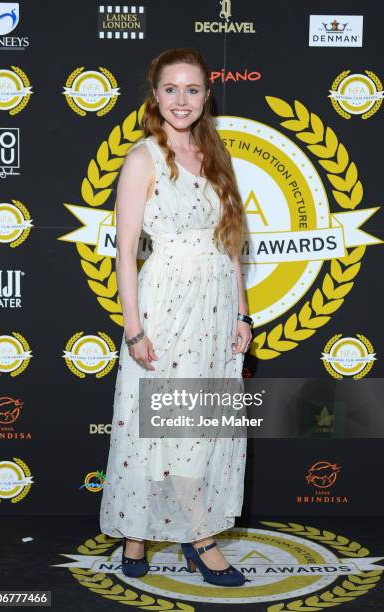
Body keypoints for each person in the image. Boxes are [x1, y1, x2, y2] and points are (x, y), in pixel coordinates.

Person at [99, 48, 253, 587]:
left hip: (215, 311)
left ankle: (187, 529)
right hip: (167, 305)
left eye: (192, 89)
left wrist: (242, 314)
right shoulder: (143, 157)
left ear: (207, 95)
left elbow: (231, 244)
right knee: (158, 426)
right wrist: (133, 327)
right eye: (171, 89)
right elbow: (124, 253)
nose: (181, 99)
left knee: (202, 425)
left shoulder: (215, 155)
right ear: (155, 94)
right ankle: (171, 534)